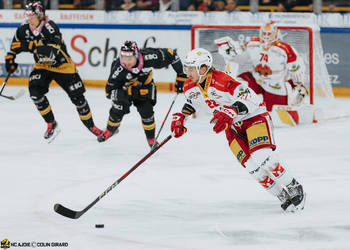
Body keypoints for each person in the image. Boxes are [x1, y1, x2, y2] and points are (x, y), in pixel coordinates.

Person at [171, 48, 306, 212]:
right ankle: (281, 195)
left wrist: (231, 110)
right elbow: (193, 102)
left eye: (191, 68)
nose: (187, 72)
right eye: (187, 68)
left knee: (263, 157)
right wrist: (180, 117)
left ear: (204, 68)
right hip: (231, 127)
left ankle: (294, 186)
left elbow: (251, 97)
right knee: (253, 168)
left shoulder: (222, 80)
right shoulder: (189, 86)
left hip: (253, 117)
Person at [4, 0, 102, 142]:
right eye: (27, 15)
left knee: (79, 100)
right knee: (35, 93)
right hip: (42, 67)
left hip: (62, 66)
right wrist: (10, 60)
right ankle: (51, 124)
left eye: (31, 15)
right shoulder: (23, 29)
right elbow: (14, 46)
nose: (28, 18)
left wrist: (30, 46)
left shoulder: (50, 27)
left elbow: (51, 51)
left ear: (40, 15)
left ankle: (92, 127)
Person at [98, 41, 186, 148]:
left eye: (129, 58)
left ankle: (151, 139)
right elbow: (108, 92)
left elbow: (171, 54)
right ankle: (109, 130)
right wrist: (123, 94)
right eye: (123, 58)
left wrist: (181, 74)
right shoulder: (118, 69)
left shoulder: (149, 57)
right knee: (118, 108)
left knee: (147, 111)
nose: (126, 62)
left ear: (136, 55)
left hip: (145, 87)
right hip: (125, 89)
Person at [215, 21, 308, 112]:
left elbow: (297, 68)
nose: (266, 36)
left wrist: (298, 84)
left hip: (275, 84)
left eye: (269, 34)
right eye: (264, 33)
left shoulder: (285, 49)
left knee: (272, 113)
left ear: (275, 34)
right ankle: (234, 110)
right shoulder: (252, 44)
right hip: (255, 78)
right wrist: (230, 54)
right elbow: (240, 59)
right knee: (238, 85)